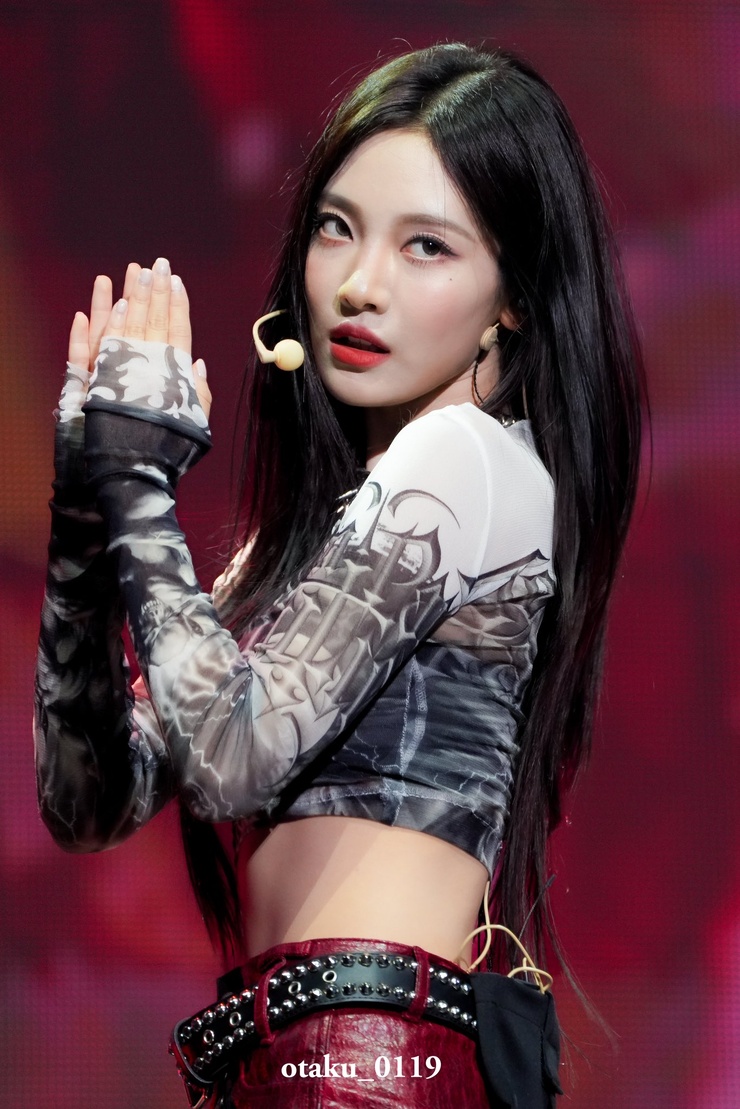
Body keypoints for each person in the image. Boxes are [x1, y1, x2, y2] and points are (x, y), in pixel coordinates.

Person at [34, 42, 643, 1108]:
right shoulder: (316, 541)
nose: (360, 285)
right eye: (335, 227)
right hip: (304, 1050)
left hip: (361, 1054)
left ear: (512, 296)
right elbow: (90, 799)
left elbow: (232, 761)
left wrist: (137, 478)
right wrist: (88, 514)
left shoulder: (461, 456)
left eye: (426, 246)